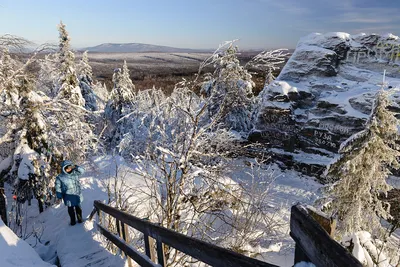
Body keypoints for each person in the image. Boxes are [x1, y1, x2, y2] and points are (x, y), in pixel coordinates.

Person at [55, 160, 85, 225]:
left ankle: (80, 219)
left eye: (70, 167)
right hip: (68, 196)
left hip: (77, 194)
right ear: (64, 168)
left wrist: (76, 167)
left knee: (78, 208)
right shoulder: (60, 177)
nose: (69, 169)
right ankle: (73, 221)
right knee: (71, 210)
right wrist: (59, 196)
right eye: (67, 168)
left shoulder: (75, 173)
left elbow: (82, 171)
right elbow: (58, 187)